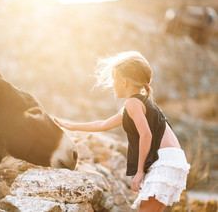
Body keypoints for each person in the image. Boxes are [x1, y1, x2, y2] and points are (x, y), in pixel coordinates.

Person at [54, 51, 190, 211]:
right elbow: (103, 124)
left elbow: (146, 134)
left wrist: (139, 172)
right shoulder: (141, 103)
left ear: (124, 82)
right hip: (174, 160)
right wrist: (71, 126)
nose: (112, 84)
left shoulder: (132, 103)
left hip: (164, 162)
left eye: (114, 80)